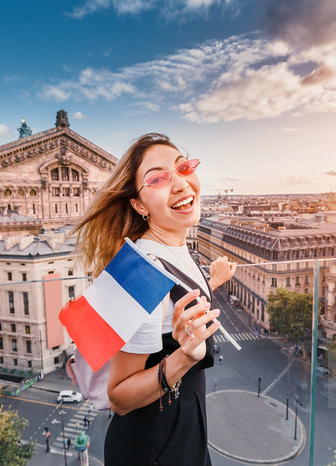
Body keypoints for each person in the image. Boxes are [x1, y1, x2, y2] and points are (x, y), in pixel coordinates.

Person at [72, 133, 236, 466]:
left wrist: (211, 282)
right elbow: (118, 398)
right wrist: (185, 358)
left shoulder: (171, 249)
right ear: (139, 204)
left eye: (183, 168)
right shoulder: (140, 274)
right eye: (158, 178)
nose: (180, 184)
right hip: (157, 444)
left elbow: (166, 310)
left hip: (180, 426)